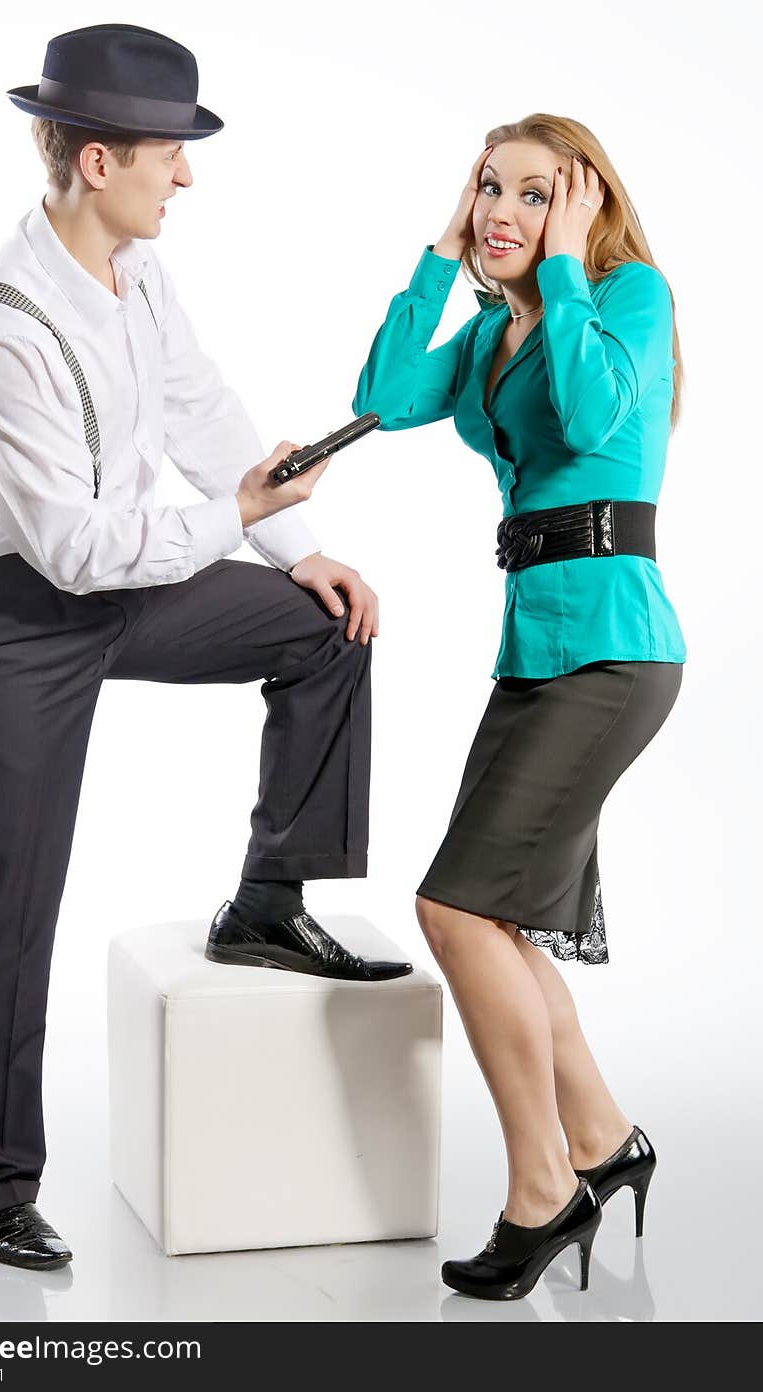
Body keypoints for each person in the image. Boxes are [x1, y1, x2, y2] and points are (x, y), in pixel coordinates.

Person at [0, 22, 411, 1274]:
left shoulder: (140, 271)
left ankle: (268, 902)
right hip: (4, 619)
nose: (186, 177)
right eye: (168, 155)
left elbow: (199, 409)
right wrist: (231, 519)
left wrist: (296, 547)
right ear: (93, 164)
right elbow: (74, 550)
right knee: (1, 908)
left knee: (324, 626)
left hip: (127, 567)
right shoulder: (1, 328)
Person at [352, 112, 685, 1301]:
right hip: (534, 651)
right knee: (489, 918)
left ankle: (542, 1186)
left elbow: (596, 421)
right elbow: (385, 395)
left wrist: (562, 261)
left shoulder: (626, 297)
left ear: (585, 205)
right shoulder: (495, 333)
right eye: (489, 187)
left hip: (611, 651)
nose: (501, 209)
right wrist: (447, 251)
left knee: (452, 910)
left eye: (533, 193)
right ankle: (602, 1142)